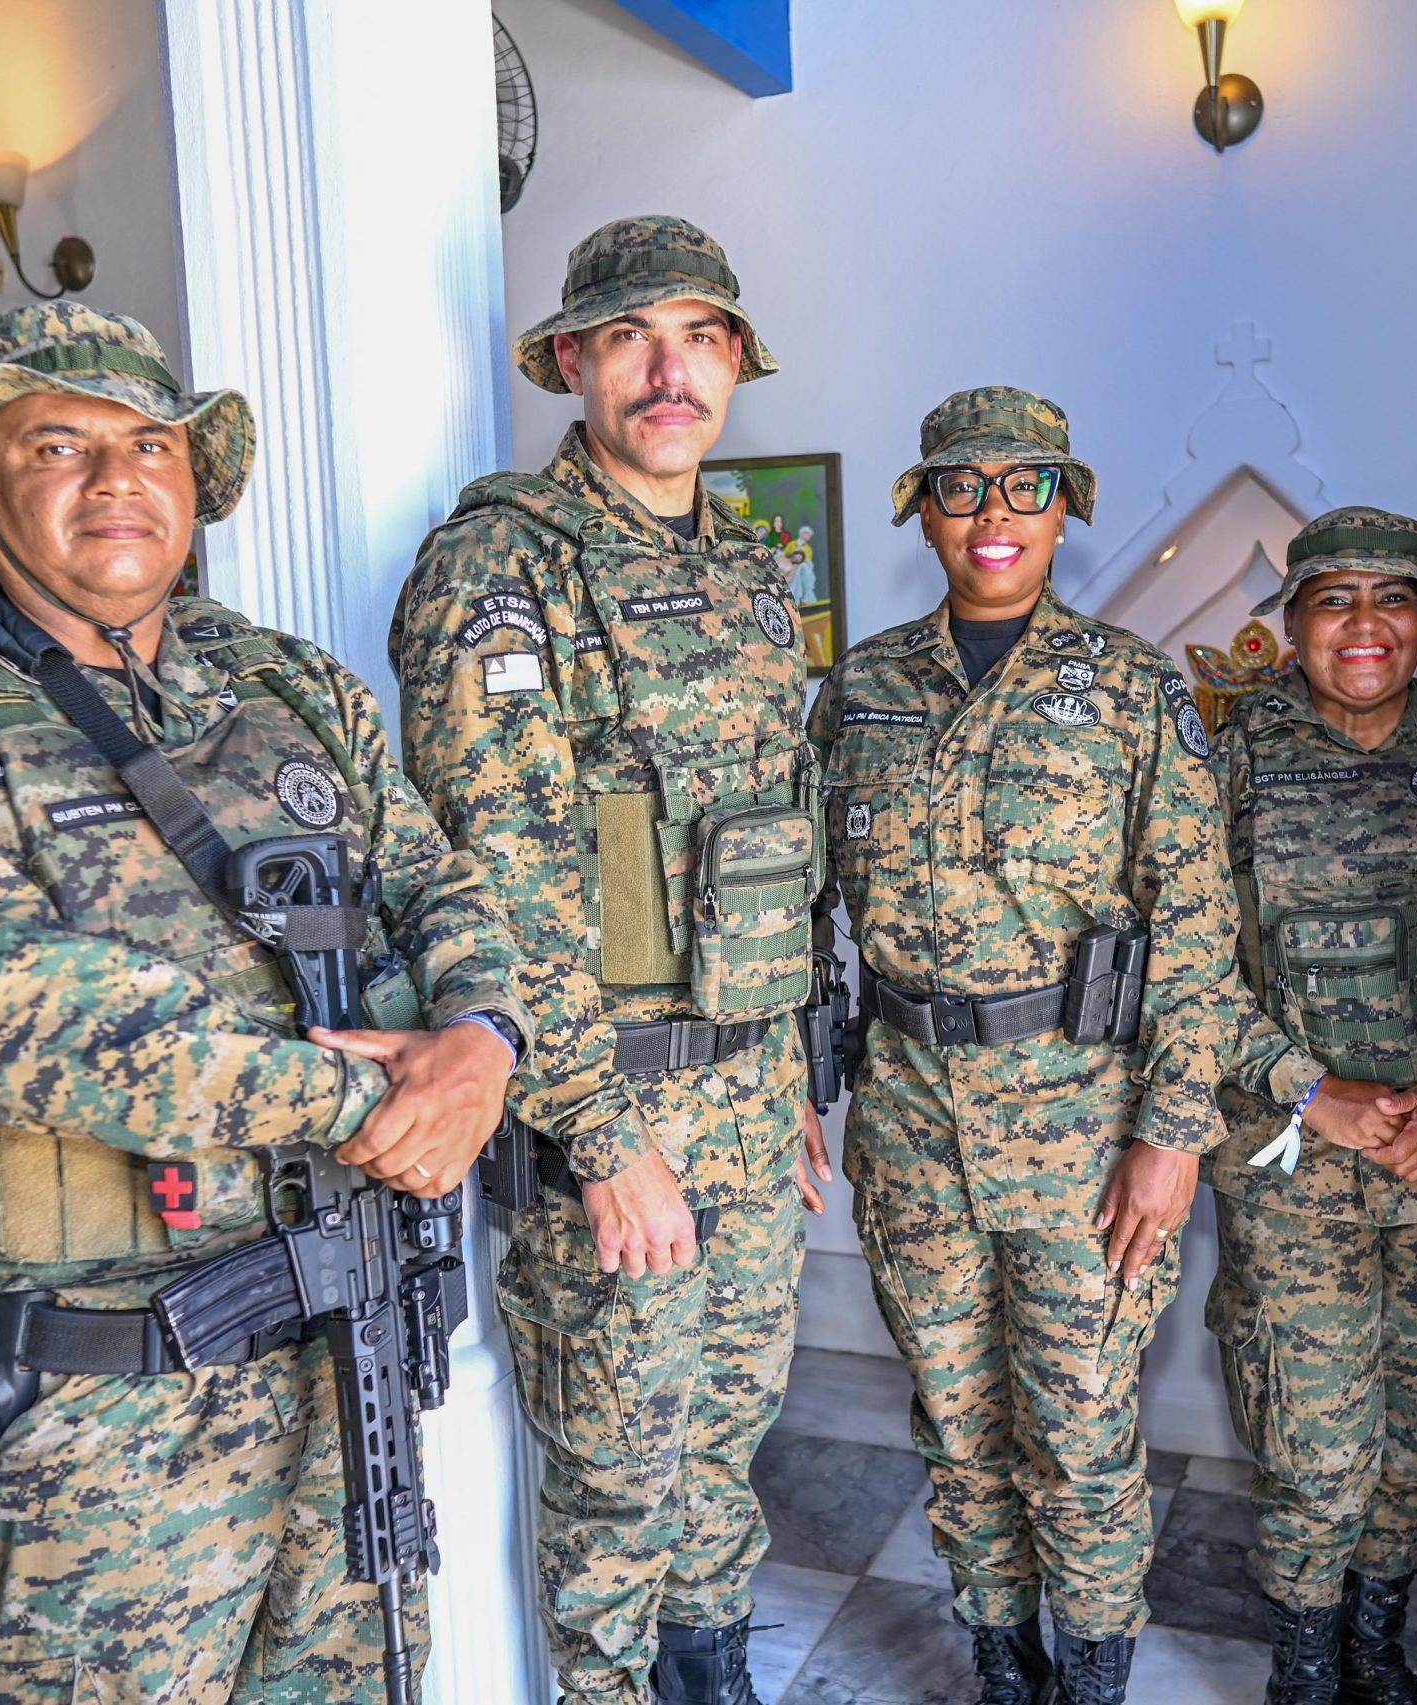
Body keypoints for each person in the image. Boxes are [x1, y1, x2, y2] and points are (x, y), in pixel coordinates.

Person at [0, 301, 531, 1704]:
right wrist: (375, 1100)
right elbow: (4, 1008)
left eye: (150, 445)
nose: (115, 479)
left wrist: (482, 1043)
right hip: (102, 1417)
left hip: (348, 1340)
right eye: (56, 445)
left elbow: (444, 884)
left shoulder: (291, 688)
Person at [389, 215, 822, 1705]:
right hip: (615, 1118)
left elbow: (771, 844)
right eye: (631, 337)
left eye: (698, 336)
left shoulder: (751, 572)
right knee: (618, 1497)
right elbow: (499, 887)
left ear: (735, 362)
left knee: (723, 1458)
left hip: (750, 1102)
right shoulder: (503, 566)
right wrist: (602, 1138)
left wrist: (790, 1065)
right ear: (571, 361)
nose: (667, 371)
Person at [809, 386, 1274, 1705]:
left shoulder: (1128, 687)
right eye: (963, 487)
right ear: (926, 512)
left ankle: (1093, 1671)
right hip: (911, 1119)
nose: (994, 514)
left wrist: (1172, 1136)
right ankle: (1001, 1658)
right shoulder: (862, 688)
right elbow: (800, 906)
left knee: (1077, 1431)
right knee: (958, 1426)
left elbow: (1197, 925)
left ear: (1065, 510)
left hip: (1084, 1127)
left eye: (1027, 486)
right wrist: (796, 1072)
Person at [1205, 507, 1417, 1704]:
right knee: (1311, 1429)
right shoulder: (1226, 765)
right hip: (1290, 1158)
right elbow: (1183, 975)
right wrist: (1305, 1088)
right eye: (1333, 600)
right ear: (1291, 623)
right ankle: (1304, 1658)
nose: (1364, 624)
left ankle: (1372, 1637)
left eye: (1390, 598)